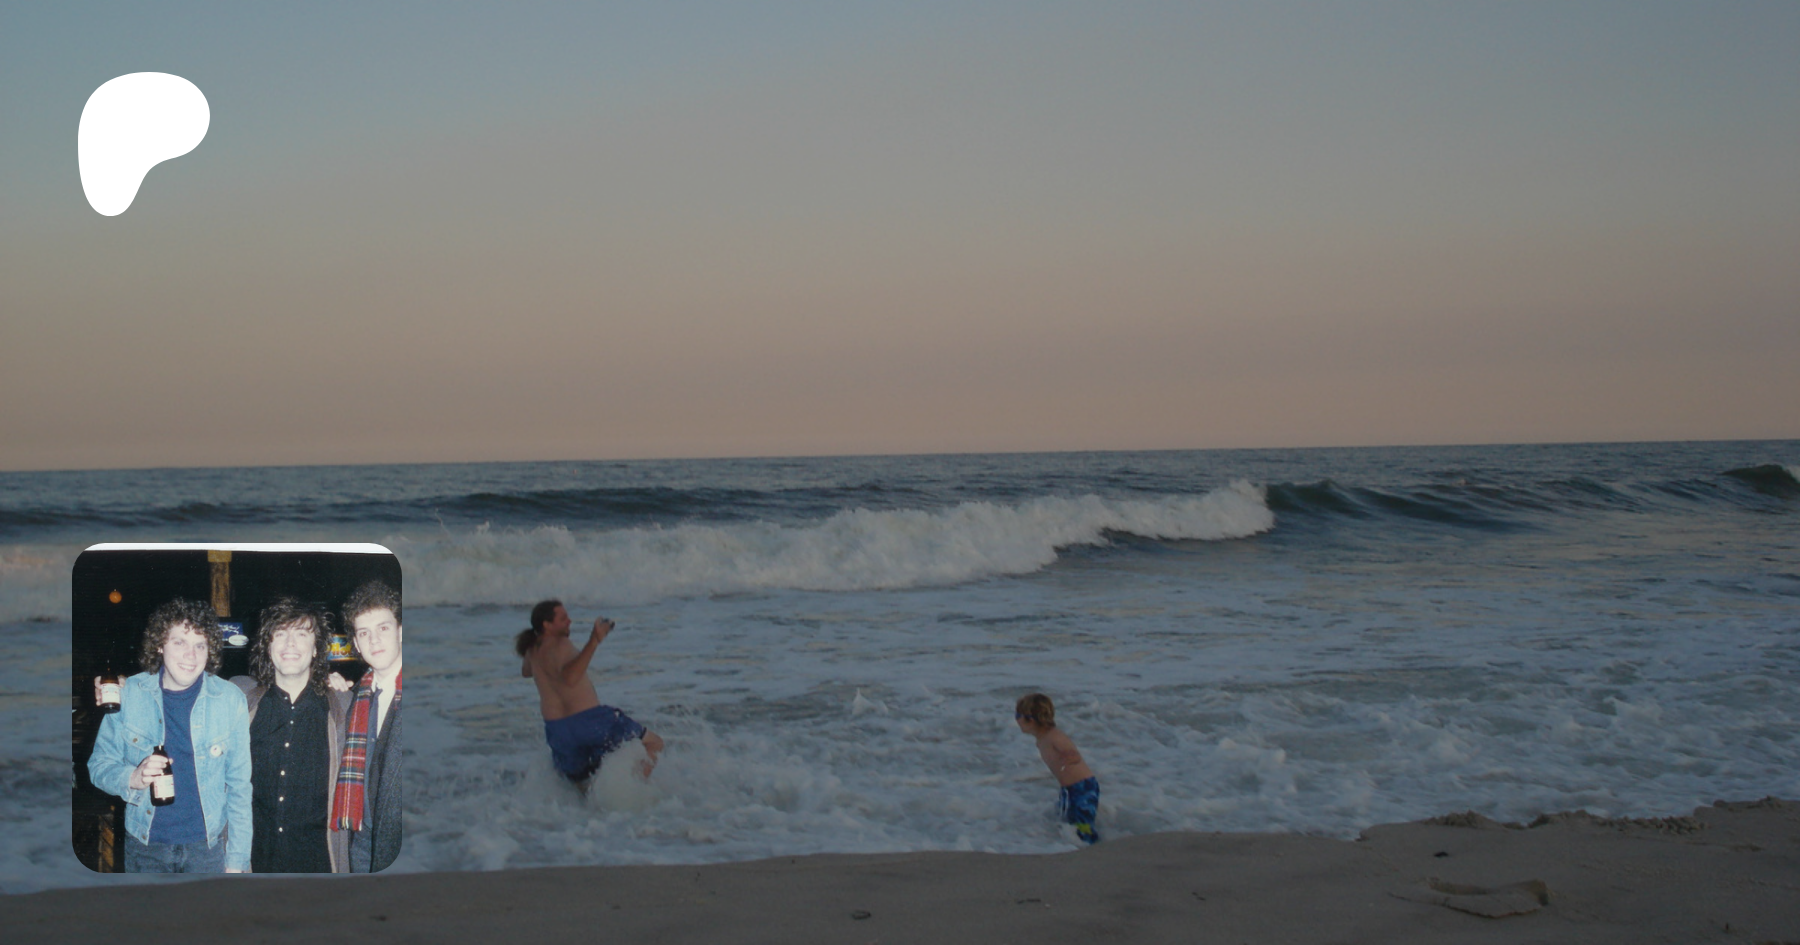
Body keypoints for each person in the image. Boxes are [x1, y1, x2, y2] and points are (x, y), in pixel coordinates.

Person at [87, 598, 253, 872]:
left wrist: (236, 862)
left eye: (200, 645)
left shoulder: (229, 699)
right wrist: (132, 778)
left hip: (207, 850)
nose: (191, 655)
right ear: (160, 645)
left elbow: (239, 788)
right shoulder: (129, 693)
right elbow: (98, 766)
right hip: (145, 847)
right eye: (180, 642)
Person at [229, 598, 353, 872]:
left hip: (320, 863)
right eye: (281, 634)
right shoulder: (239, 699)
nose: (290, 644)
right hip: (253, 862)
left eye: (301, 634)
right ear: (268, 645)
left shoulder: (343, 706)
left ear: (316, 648)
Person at [516, 599, 663, 784]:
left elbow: (526, 672)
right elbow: (570, 678)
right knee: (654, 743)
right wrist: (595, 640)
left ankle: (593, 803)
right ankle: (632, 792)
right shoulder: (561, 644)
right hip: (589, 721)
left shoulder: (532, 650)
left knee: (582, 779)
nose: (569, 621)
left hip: (558, 730)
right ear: (547, 625)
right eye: (563, 618)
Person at [331, 580, 403, 872]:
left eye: (383, 628)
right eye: (364, 633)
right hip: (360, 838)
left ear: (400, 632)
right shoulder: (355, 698)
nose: (374, 641)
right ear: (356, 645)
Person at [1015, 692, 1100, 844]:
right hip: (1069, 789)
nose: (1016, 720)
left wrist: (1068, 759)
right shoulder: (1041, 739)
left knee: (1082, 825)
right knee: (1067, 821)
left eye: (1017, 715)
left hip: (1082, 787)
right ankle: (1075, 846)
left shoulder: (1054, 736)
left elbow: (1073, 754)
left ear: (1030, 719)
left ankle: (1092, 848)